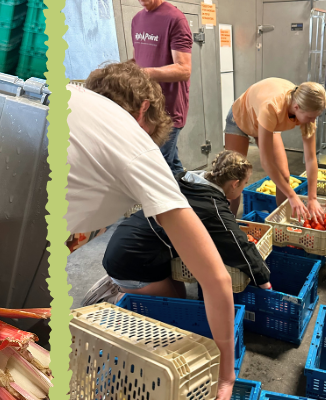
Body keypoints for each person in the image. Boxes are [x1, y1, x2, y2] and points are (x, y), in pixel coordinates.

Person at [67, 61, 235, 400]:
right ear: (144, 108)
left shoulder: (70, 96)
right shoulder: (133, 144)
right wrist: (225, 377)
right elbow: (217, 280)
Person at [96, 150, 272, 305]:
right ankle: (117, 297)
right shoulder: (212, 207)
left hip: (129, 243)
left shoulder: (186, 180)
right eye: (245, 183)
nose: (244, 187)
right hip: (131, 262)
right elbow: (239, 245)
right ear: (235, 183)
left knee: (181, 293)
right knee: (175, 306)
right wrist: (264, 282)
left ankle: (124, 284)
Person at [224, 78, 326, 222]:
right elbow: (266, 162)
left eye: (315, 117)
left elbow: (310, 158)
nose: (312, 121)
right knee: (233, 180)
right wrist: (292, 196)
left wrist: (312, 198)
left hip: (266, 122)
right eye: (310, 117)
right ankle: (228, 225)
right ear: (296, 107)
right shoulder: (272, 107)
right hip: (242, 118)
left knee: (284, 175)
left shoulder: (307, 109)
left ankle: (282, 222)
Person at [131, 0, 193, 175]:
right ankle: (194, 198)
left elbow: (184, 69)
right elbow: (138, 61)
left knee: (159, 170)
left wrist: (144, 73)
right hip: (145, 108)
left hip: (167, 111)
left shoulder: (175, 19)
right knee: (172, 166)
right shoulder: (136, 20)